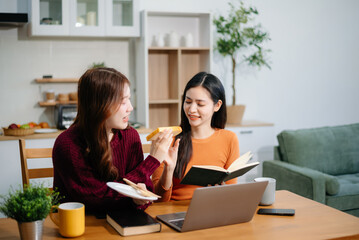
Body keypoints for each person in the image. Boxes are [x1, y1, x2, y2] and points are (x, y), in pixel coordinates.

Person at [52, 67, 179, 214]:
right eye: (123, 101)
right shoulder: (68, 144)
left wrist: (139, 198)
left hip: (123, 221)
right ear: (99, 105)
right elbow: (96, 198)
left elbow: (145, 189)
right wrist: (152, 161)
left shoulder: (130, 136)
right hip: (83, 226)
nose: (130, 108)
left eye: (129, 99)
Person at [152, 72, 240, 201]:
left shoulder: (229, 139)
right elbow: (158, 200)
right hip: (174, 213)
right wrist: (168, 170)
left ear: (217, 105)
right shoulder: (168, 140)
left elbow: (232, 194)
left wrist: (222, 190)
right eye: (188, 102)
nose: (191, 109)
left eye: (200, 104)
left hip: (213, 209)